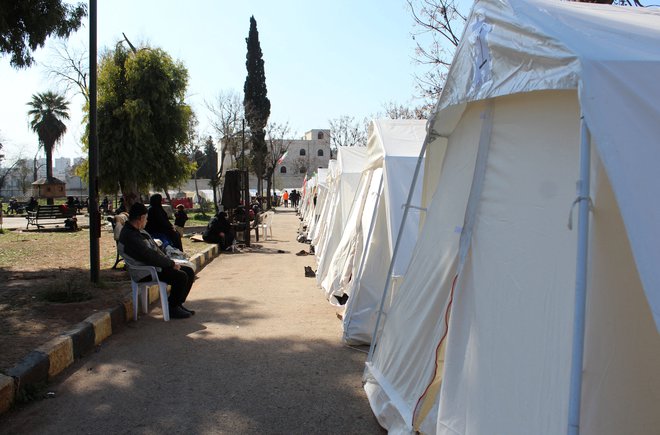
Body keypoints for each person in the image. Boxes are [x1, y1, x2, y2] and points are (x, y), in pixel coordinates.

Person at [119, 203, 195, 319]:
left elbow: (154, 250)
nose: (147, 221)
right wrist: (170, 264)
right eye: (146, 218)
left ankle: (178, 304)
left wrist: (169, 261)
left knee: (189, 271)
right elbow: (148, 256)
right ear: (141, 218)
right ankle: (173, 308)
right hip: (145, 271)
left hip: (154, 266)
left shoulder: (138, 231)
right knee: (181, 276)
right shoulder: (130, 235)